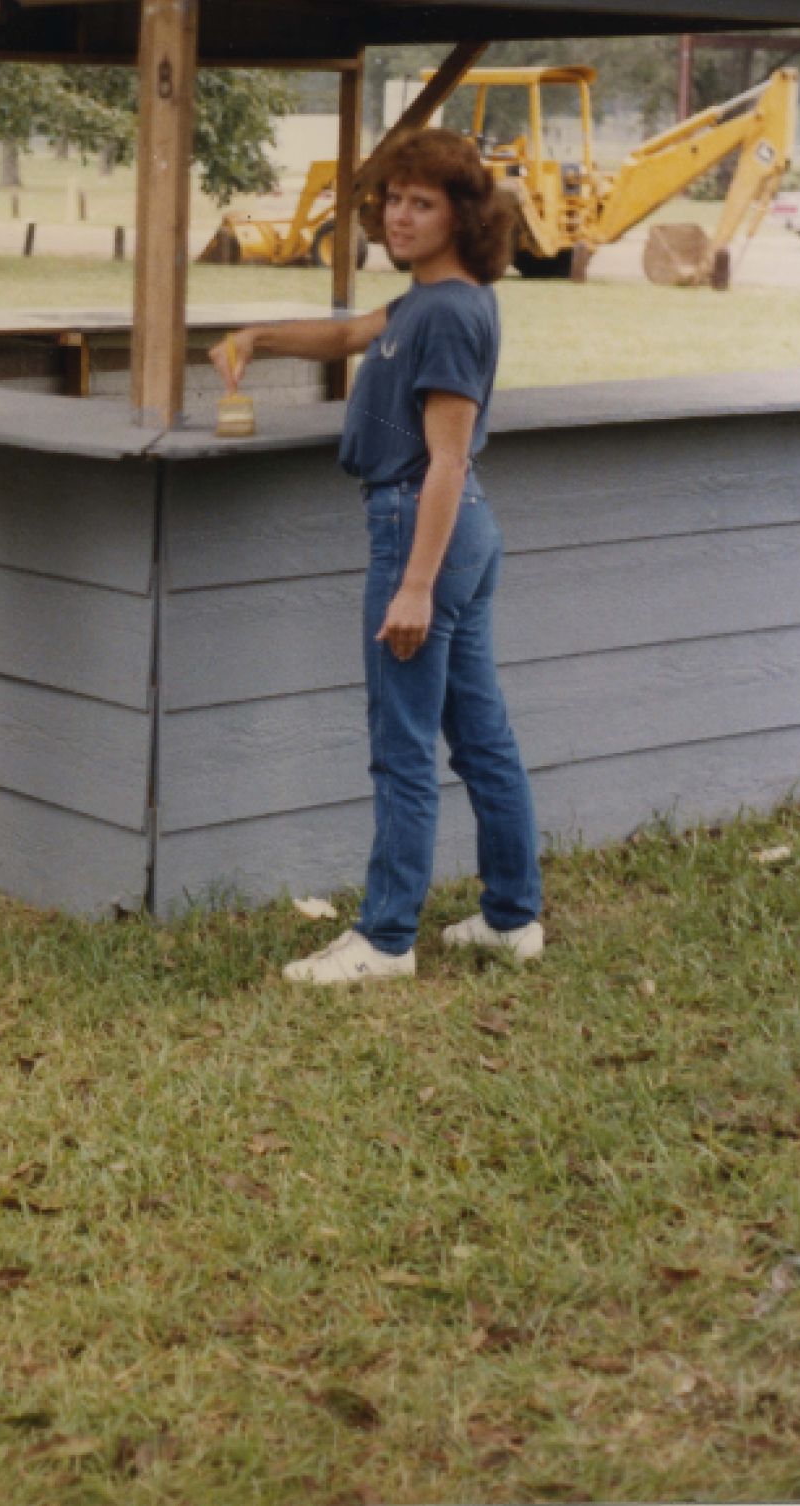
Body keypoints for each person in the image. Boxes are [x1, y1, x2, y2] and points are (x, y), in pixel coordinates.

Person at [210, 129, 543, 984]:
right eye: (393, 198)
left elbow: (446, 458)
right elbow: (352, 332)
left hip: (421, 530)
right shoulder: (425, 303)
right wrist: (257, 337)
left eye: (421, 202)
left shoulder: (451, 316)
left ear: (464, 217)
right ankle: (512, 918)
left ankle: (386, 939)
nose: (399, 214)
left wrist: (415, 587)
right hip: (456, 530)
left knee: (402, 745)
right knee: (481, 738)